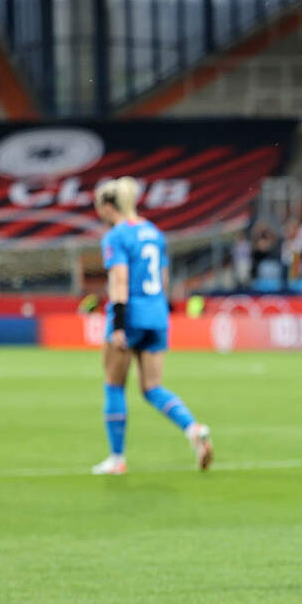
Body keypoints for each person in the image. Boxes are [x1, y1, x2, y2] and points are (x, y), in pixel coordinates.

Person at [92, 176, 212, 476]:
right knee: (152, 386)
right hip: (157, 314)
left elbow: (119, 279)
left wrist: (118, 325)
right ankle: (193, 428)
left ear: (109, 207)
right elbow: (165, 277)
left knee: (114, 383)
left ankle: (117, 458)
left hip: (130, 313)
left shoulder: (116, 236)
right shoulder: (153, 233)